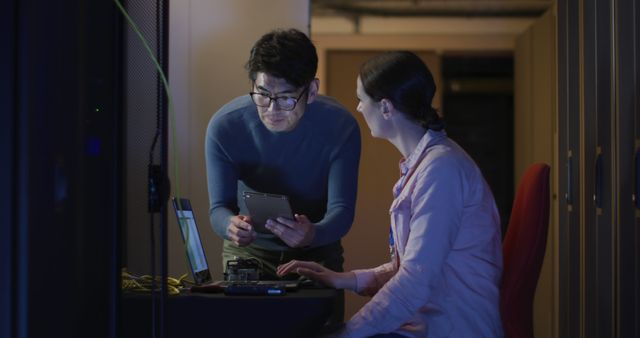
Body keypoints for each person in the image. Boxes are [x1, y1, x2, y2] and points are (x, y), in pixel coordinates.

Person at [277, 51, 504, 338]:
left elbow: (416, 279)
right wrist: (344, 280)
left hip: (454, 327)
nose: (358, 108)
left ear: (385, 107)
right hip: (429, 322)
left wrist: (347, 333)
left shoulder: (441, 170)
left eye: (362, 98)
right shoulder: (425, 165)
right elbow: (411, 265)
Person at [205, 28, 360, 303]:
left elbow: (342, 211)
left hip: (317, 250)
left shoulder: (340, 127)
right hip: (249, 252)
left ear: (311, 90)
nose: (272, 110)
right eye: (262, 95)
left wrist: (314, 233)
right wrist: (230, 225)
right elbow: (219, 208)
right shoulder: (225, 126)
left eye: (287, 98)